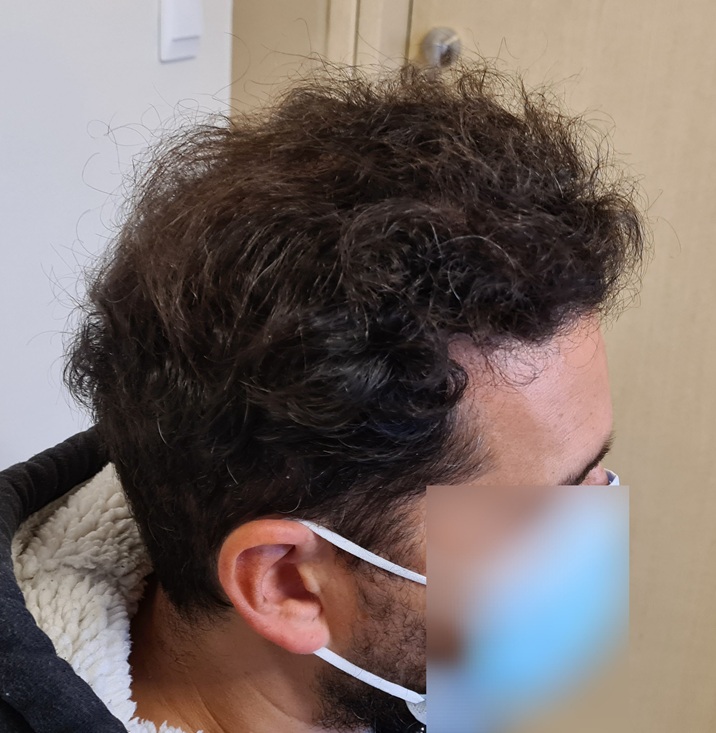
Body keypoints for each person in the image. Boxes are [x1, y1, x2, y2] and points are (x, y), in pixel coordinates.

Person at [0, 61, 645, 733]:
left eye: (593, 472)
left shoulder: (404, 673)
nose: (593, 534)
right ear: (287, 585)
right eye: (533, 518)